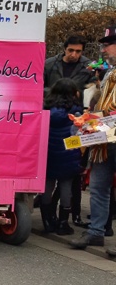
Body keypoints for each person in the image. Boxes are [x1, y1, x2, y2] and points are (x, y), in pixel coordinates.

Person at [72, 24, 116, 250]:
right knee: (99, 187)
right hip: (105, 139)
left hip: (109, 132)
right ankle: (96, 232)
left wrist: (93, 120)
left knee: (102, 187)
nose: (103, 50)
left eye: (107, 45)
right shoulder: (109, 71)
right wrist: (87, 121)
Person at [42, 78, 82, 236]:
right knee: (66, 188)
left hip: (48, 153)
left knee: (47, 185)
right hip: (68, 154)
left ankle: (47, 220)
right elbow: (76, 134)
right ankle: (63, 223)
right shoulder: (75, 111)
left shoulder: (46, 108)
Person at [44, 34, 95, 101]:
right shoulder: (49, 64)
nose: (73, 55)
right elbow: (38, 87)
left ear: (82, 52)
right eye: (70, 50)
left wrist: (78, 94)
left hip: (76, 107)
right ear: (65, 49)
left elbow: (92, 90)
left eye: (78, 51)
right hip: (52, 105)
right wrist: (55, 93)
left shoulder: (89, 66)